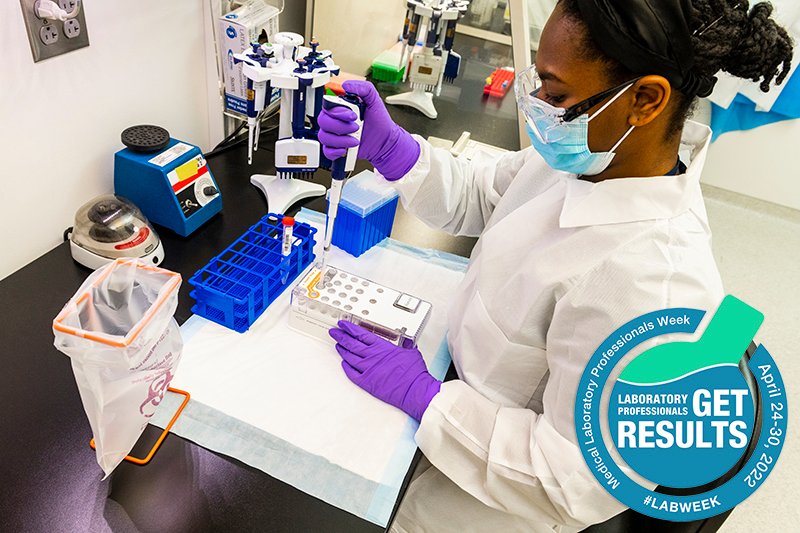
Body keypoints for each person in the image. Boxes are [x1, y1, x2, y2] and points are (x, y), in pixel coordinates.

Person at [319, 0, 793, 531]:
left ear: (645, 100)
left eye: (556, 93)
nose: (538, 107)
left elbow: (572, 481)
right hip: (452, 393)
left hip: (485, 502)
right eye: (539, 83)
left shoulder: (653, 288)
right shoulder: (594, 152)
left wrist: (426, 399)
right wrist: (393, 150)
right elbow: (485, 193)